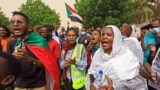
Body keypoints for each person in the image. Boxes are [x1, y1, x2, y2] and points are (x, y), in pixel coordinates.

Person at [8, 11, 59, 90]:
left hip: (38, 86)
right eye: (13, 22)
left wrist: (28, 59)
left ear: (29, 27)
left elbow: (47, 65)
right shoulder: (11, 43)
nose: (15, 24)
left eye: (19, 22)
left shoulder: (41, 42)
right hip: (19, 86)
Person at [86, 25, 147, 90]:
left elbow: (139, 83)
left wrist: (115, 86)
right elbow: (91, 73)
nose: (104, 37)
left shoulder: (127, 55)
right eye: (102, 35)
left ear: (116, 38)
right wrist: (92, 85)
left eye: (108, 35)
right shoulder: (98, 54)